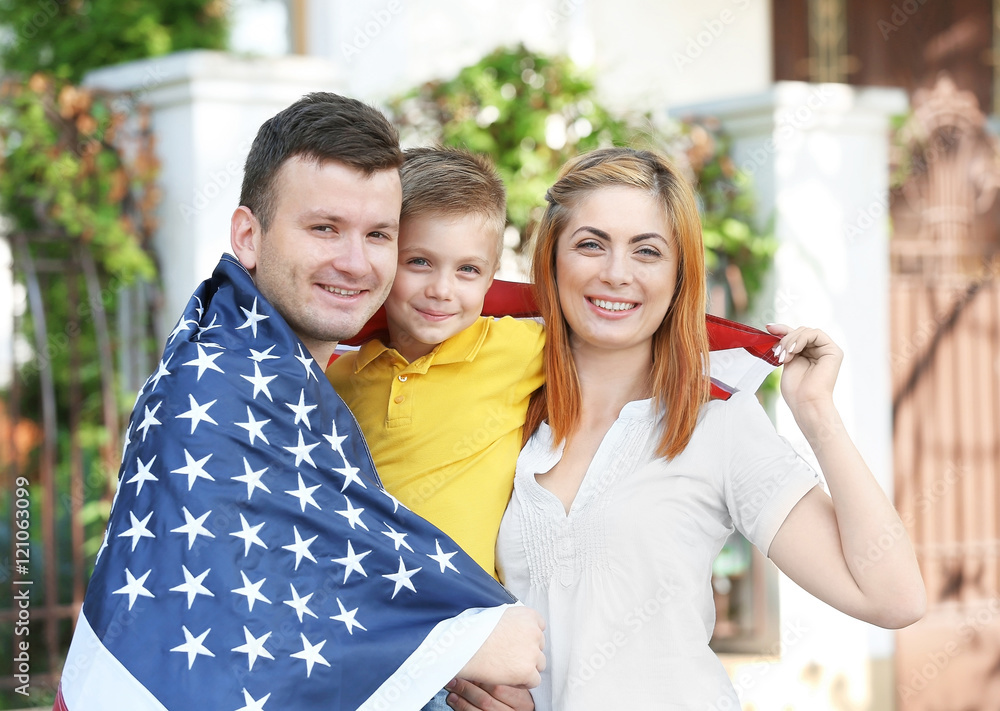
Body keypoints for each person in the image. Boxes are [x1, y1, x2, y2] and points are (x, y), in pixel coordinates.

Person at [53, 92, 544, 711]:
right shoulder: (212, 386)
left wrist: (442, 676)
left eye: (378, 235)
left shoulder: (303, 384)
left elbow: (304, 584)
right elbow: (227, 645)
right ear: (248, 237)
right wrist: (461, 638)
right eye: (324, 228)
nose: (355, 262)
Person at [483, 147, 926, 710]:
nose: (617, 273)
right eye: (590, 244)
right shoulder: (498, 409)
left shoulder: (716, 422)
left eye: (647, 251)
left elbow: (894, 598)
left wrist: (817, 414)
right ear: (551, 261)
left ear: (678, 276)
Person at [326, 146, 545, 710]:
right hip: (363, 640)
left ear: (491, 275)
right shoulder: (339, 377)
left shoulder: (515, 349)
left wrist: (762, 348)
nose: (442, 290)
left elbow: (624, 333)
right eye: (418, 261)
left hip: (466, 647)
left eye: (467, 269)